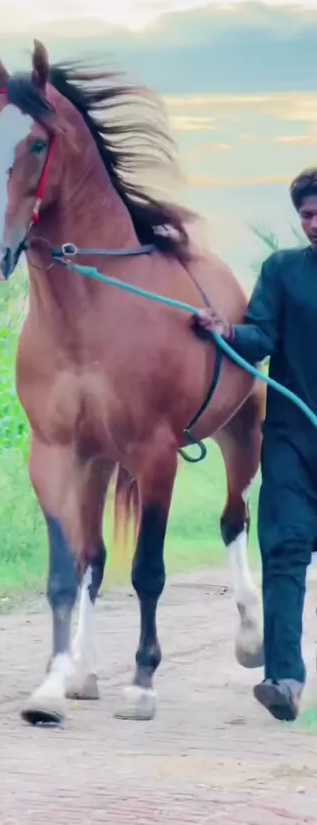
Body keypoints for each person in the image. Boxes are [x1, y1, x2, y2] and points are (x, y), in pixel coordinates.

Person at [195, 167, 317, 722]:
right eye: (306, 214)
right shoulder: (283, 271)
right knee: (284, 549)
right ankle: (284, 680)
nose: (313, 223)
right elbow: (261, 336)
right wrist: (225, 331)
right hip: (293, 439)